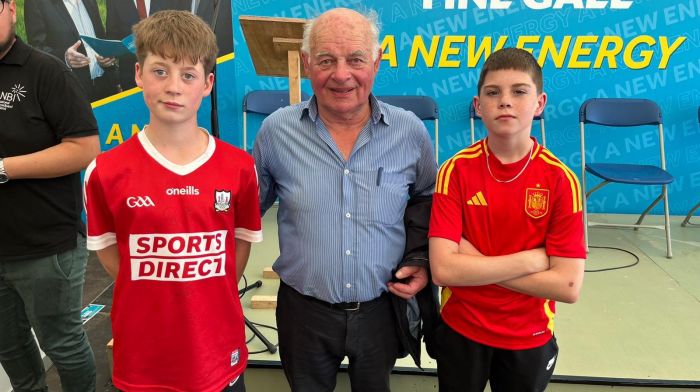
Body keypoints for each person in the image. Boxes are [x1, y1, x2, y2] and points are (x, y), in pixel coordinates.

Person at [253, 7, 437, 392]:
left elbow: (426, 199)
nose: (341, 74)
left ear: (376, 61)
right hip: (303, 311)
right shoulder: (275, 132)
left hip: (381, 309)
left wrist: (420, 260)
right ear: (306, 64)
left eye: (355, 59)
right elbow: (248, 209)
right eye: (326, 60)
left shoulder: (410, 132)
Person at [84, 10, 262, 392]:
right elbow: (111, 254)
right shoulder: (105, 170)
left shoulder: (239, 167)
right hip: (144, 360)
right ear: (138, 75)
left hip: (219, 352)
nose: (174, 87)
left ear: (208, 83)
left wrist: (203, 289)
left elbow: (240, 243)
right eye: (160, 71)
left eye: (188, 74)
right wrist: (160, 287)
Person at [428, 47, 586, 392]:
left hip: (528, 336)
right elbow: (443, 271)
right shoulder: (454, 171)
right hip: (461, 328)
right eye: (493, 92)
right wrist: (531, 261)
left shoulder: (561, 181)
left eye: (519, 91)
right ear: (478, 104)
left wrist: (474, 264)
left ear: (540, 103)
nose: (505, 101)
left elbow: (567, 287)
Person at [0, 0, 100, 390]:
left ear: (10, 8)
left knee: (63, 343)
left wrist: (5, 168)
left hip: (46, 246)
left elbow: (84, 147)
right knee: (10, 349)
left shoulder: (45, 70)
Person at [24, 0, 119, 101]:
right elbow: (37, 49)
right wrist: (64, 58)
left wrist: (107, 57)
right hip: (72, 93)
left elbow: (99, 36)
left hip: (106, 85)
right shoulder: (36, 2)